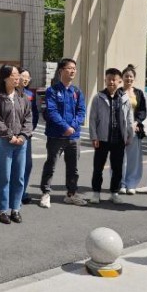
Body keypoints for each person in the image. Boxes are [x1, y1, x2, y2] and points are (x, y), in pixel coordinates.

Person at [39, 58, 87, 208]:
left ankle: (71, 194)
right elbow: (52, 112)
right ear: (61, 71)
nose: (73, 71)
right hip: (56, 135)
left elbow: (81, 112)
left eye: (74, 68)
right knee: (51, 165)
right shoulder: (52, 91)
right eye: (69, 68)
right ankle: (45, 193)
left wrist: (72, 127)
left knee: (73, 167)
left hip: (73, 136)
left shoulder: (77, 91)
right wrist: (64, 127)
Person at [0, 65, 33, 223]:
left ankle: (15, 208)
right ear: (5, 78)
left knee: (19, 176)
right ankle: (2, 210)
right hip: (4, 142)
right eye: (14, 75)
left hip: (21, 143)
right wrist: (10, 136)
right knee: (4, 176)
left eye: (18, 75)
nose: (17, 78)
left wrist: (22, 136)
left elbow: (28, 119)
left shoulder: (23, 97)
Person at [89, 68, 133, 204]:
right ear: (105, 80)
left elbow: (129, 119)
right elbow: (92, 119)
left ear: (120, 81)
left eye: (114, 80)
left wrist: (129, 135)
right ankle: (96, 193)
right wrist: (94, 136)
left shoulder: (125, 98)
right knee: (98, 168)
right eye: (109, 79)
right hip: (102, 138)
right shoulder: (98, 97)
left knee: (117, 168)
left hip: (119, 139)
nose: (111, 82)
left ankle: (114, 193)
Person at [119, 66, 147, 195]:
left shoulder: (139, 93)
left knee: (133, 158)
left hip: (134, 129)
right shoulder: (118, 92)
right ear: (122, 78)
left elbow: (142, 110)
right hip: (119, 129)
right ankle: (120, 183)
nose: (128, 78)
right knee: (119, 157)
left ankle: (131, 183)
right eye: (126, 76)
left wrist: (136, 122)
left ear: (134, 78)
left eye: (131, 76)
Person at [18, 68, 39, 204]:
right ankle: (13, 193)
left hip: (27, 134)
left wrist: (30, 129)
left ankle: (22, 192)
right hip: (13, 135)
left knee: (27, 165)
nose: (25, 79)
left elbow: (35, 114)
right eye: (23, 76)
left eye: (28, 77)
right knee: (15, 165)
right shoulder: (11, 92)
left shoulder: (30, 94)